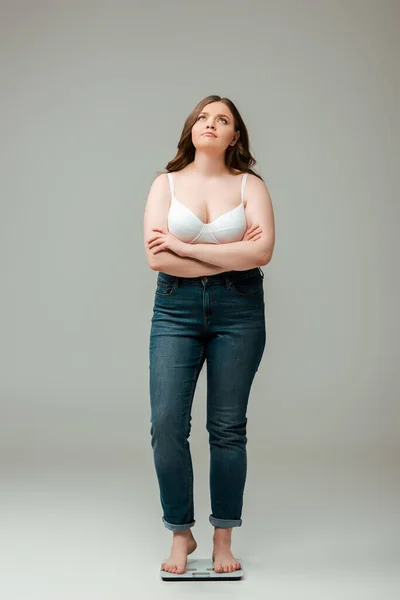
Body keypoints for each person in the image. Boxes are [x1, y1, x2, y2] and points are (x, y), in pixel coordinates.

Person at [143, 95, 275, 575]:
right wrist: (227, 251)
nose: (211, 124)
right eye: (203, 117)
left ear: (235, 135)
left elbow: (261, 254)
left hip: (238, 310)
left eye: (223, 120)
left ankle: (223, 538)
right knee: (166, 426)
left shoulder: (249, 185)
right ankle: (181, 532)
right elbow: (157, 259)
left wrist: (182, 243)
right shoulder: (166, 183)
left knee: (227, 428)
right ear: (191, 129)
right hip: (174, 308)